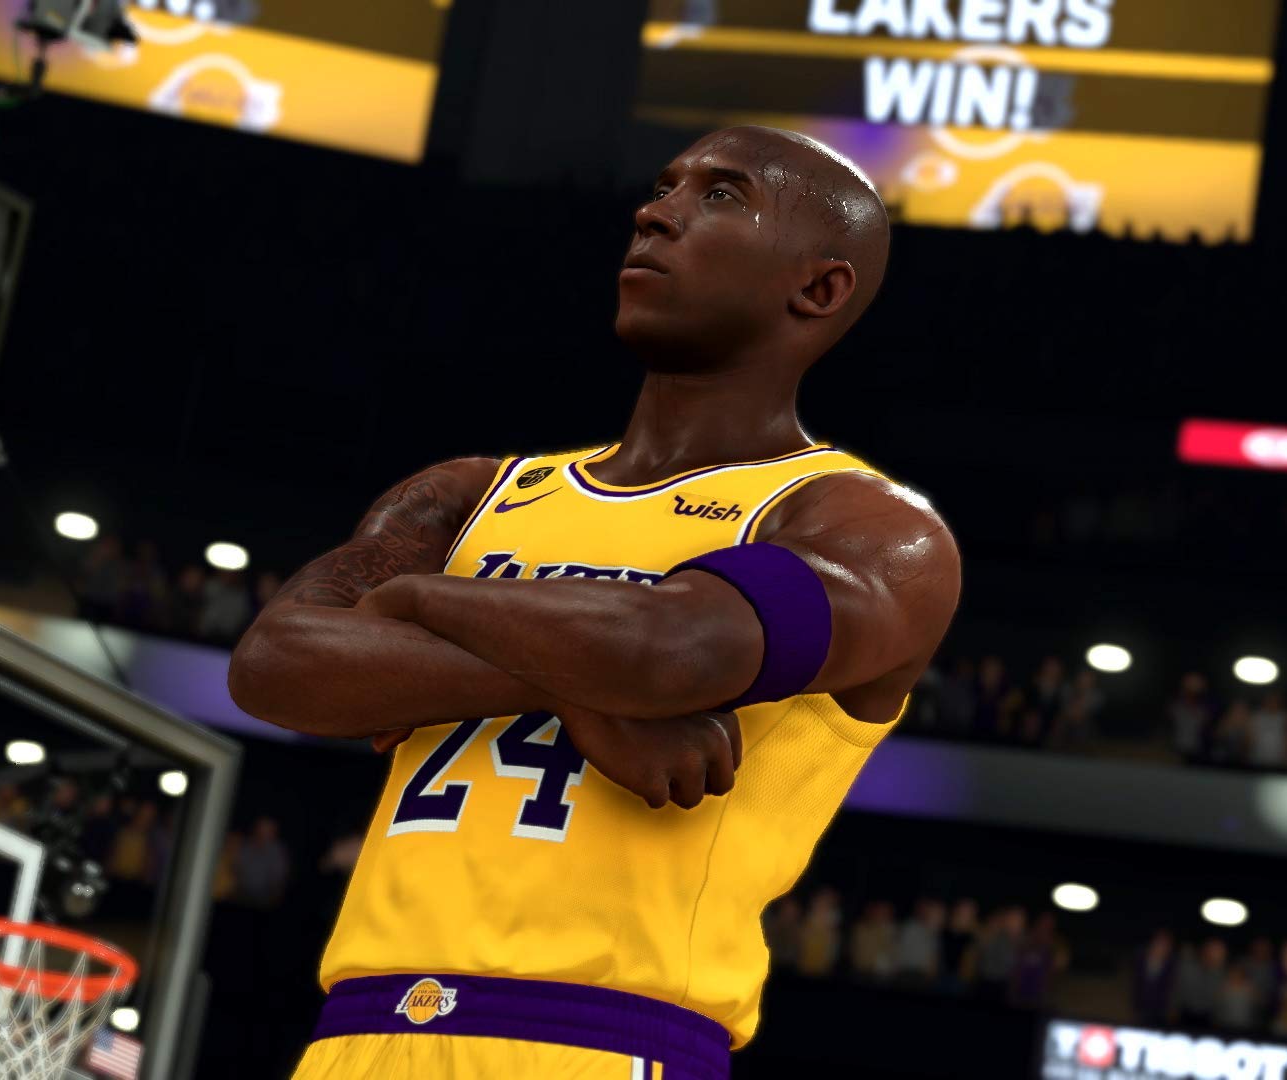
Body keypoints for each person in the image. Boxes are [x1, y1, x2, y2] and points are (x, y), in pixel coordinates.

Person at [232, 127, 961, 1078]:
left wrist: (412, 602)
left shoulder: (871, 528)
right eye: (665, 185)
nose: (654, 212)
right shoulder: (465, 492)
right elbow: (273, 664)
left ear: (818, 289)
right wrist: (573, 692)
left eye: (721, 196)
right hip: (356, 1032)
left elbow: (669, 654)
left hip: (604, 1039)